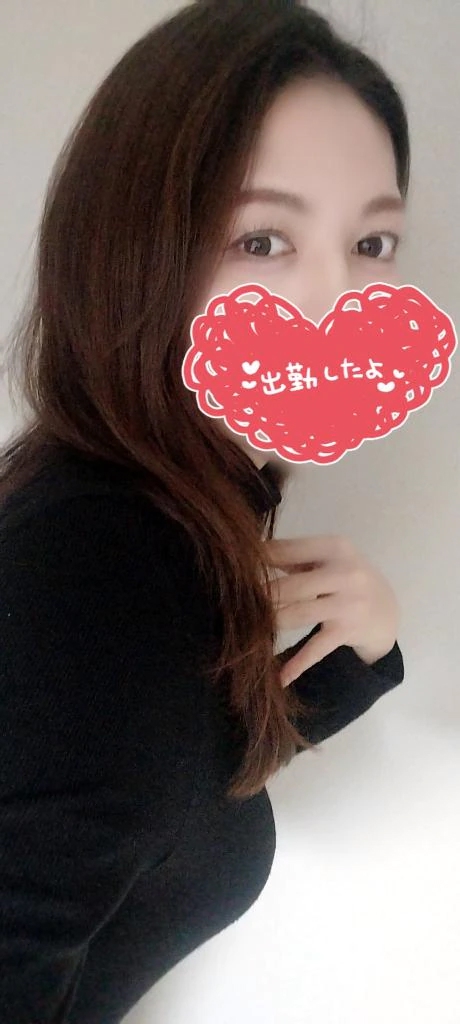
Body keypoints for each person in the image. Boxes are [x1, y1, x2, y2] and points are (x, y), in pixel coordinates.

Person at [0, 2, 406, 1020]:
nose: (337, 302)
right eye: (262, 239)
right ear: (132, 251)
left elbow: (172, 778)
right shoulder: (95, 570)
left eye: (371, 242)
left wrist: (362, 651)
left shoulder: (162, 518)